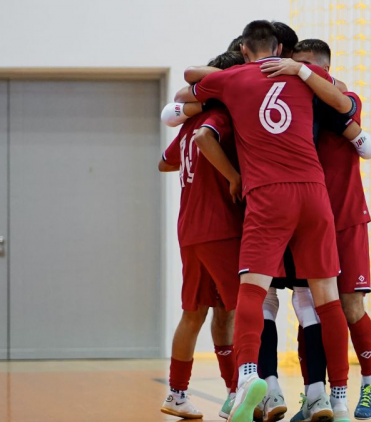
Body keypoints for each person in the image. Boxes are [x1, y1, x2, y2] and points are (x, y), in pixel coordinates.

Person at [183, 20, 355, 422]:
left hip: (267, 195)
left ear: (243, 49)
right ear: (280, 47)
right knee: (325, 299)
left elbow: (188, 81)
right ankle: (339, 399)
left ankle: (248, 379)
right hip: (314, 195)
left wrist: (230, 73)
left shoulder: (232, 80)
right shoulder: (305, 78)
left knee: (253, 292)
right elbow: (345, 100)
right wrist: (300, 70)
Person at [275, 39, 371, 421]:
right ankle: (314, 395)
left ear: (322, 68)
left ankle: (369, 383)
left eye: (304, 66)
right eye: (293, 65)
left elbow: (360, 133)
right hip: (306, 223)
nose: (296, 72)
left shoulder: (345, 98)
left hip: (346, 220)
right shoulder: (291, 108)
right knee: (310, 309)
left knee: (351, 307)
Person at [158, 51, 246, 420]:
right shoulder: (219, 116)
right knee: (244, 311)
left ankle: (178, 393)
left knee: (199, 313)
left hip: (190, 230)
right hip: (219, 228)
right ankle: (238, 392)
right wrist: (232, 176)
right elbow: (208, 141)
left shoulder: (189, 123)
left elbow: (165, 162)